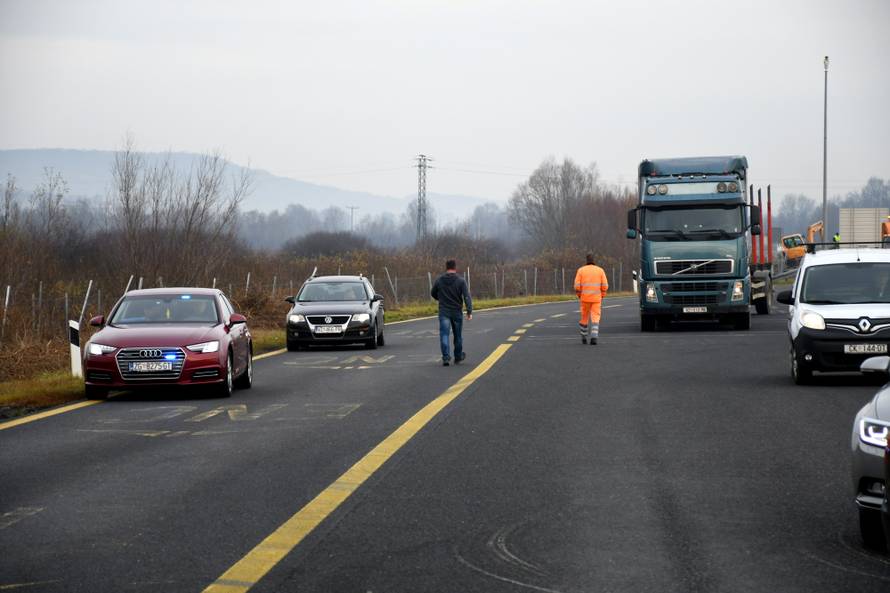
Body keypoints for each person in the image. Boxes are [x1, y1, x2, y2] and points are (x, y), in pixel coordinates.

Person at [431, 259, 473, 366]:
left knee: (444, 334)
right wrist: (469, 311)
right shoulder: (461, 281)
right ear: (455, 267)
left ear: (446, 268)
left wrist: (440, 298)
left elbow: (433, 293)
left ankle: (446, 357)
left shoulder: (439, 280)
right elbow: (466, 296)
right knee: (457, 335)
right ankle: (458, 357)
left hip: (444, 311)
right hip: (457, 311)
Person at [573, 253, 609, 345]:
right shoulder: (600, 270)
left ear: (586, 261)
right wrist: (602, 295)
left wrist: (579, 294)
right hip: (596, 299)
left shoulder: (581, 270)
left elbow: (577, 286)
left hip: (584, 299)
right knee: (595, 318)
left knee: (584, 318)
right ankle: (594, 338)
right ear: (594, 261)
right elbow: (605, 285)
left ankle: (584, 337)